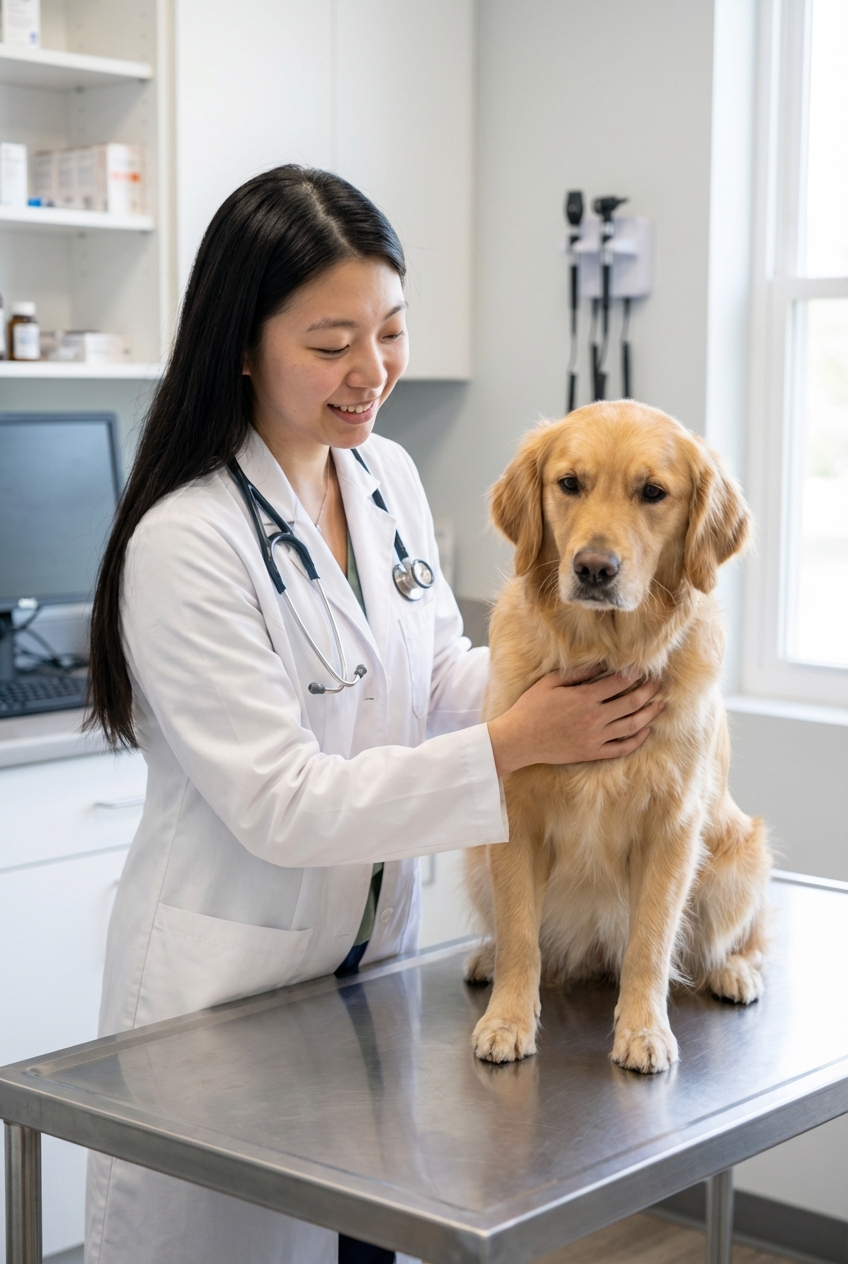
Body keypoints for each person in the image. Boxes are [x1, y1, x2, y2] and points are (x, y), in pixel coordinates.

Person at [84, 165, 662, 1264]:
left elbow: (434, 670)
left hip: (365, 990)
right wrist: (515, 742)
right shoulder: (185, 541)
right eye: (330, 341)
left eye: (389, 331)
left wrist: (552, 688)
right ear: (243, 343)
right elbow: (285, 806)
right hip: (222, 1005)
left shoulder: (384, 474)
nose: (372, 372)